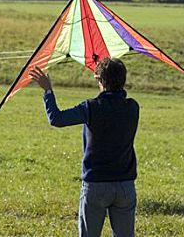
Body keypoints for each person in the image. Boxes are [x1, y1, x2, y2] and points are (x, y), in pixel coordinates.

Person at [29, 58, 139, 237]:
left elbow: (56, 119)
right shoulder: (133, 107)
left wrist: (48, 91)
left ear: (99, 80)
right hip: (125, 185)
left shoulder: (91, 107)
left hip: (96, 184)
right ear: (123, 80)